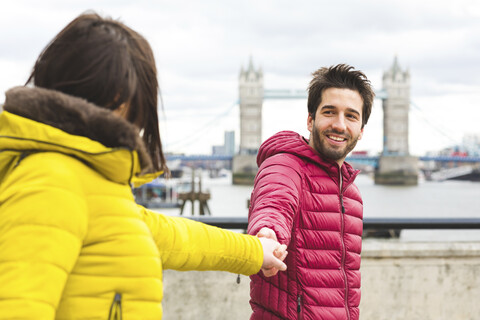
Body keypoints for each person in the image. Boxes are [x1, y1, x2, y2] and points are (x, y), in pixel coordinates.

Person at [0, 12, 288, 319]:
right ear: (119, 98)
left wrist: (255, 252)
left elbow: (176, 238)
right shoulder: (52, 180)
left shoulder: (91, 181)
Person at [247, 64, 375, 320]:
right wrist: (267, 235)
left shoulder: (351, 194)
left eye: (351, 116)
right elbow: (275, 202)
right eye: (329, 112)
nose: (339, 125)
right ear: (310, 119)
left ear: (361, 130)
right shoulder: (284, 165)